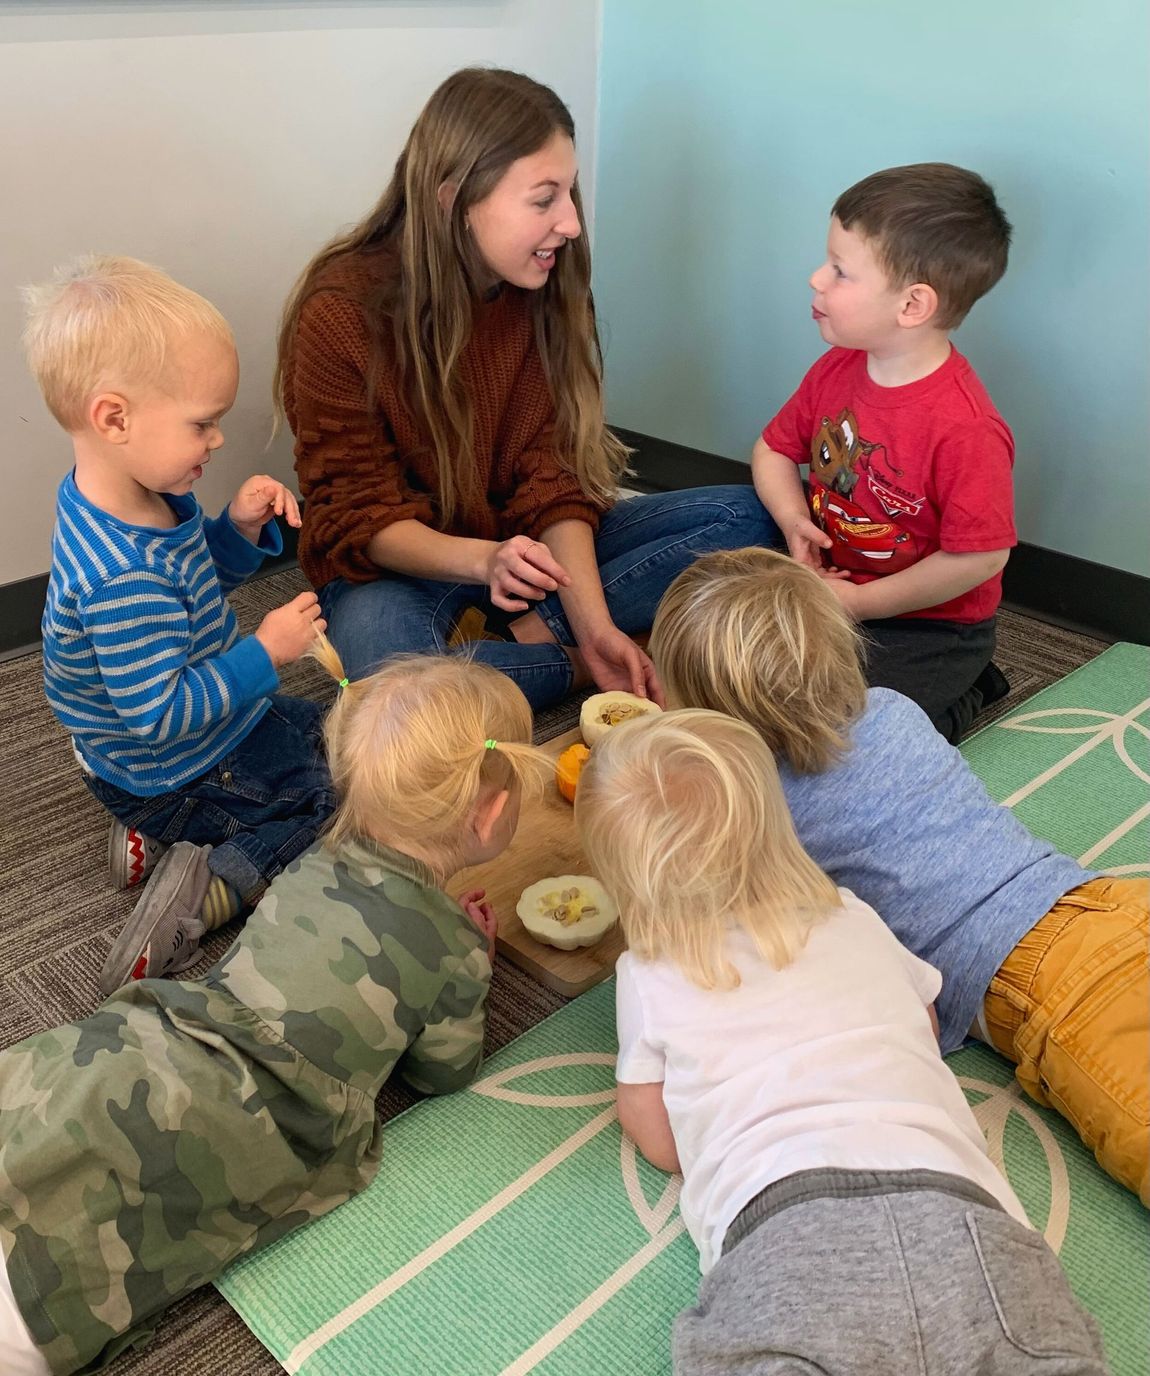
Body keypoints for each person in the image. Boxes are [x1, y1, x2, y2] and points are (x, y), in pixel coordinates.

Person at [0, 650, 540, 1376]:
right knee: (117, 1214)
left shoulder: (311, 860)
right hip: (263, 1114)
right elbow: (446, 1071)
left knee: (77, 1101)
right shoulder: (453, 948)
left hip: (178, 1030)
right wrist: (475, 960)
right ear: (495, 812)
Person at [576, 708, 1109, 1375]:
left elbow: (660, 1141)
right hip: (961, 1212)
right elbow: (923, 1017)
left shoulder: (650, 974)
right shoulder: (851, 913)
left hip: (787, 1230)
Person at [649, 547, 1149, 1203]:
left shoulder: (759, 807)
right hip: (1098, 898)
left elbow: (699, 908)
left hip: (1045, 982)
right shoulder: (892, 706)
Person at [277, 66, 777, 709]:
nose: (569, 222)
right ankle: (566, 661)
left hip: (529, 560)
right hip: (398, 572)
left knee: (753, 517)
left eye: (570, 193)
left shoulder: (548, 285)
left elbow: (556, 477)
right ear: (452, 199)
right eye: (544, 200)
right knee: (397, 684)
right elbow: (358, 516)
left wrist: (593, 625)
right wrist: (487, 564)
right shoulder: (340, 313)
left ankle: (530, 644)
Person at [23, 256, 335, 995]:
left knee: (336, 735)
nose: (218, 441)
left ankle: (154, 822)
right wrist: (266, 650)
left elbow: (189, 599)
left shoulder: (130, 501)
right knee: (336, 802)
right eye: (203, 424)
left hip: (155, 750)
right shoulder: (121, 575)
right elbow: (160, 713)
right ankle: (206, 884)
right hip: (174, 756)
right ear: (115, 418)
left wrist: (233, 530)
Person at [752, 163, 1015, 741]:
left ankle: (971, 688)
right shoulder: (838, 367)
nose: (816, 279)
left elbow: (980, 558)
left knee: (852, 736)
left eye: (841, 271)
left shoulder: (966, 428)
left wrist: (860, 605)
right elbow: (771, 451)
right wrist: (794, 521)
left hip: (930, 628)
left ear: (913, 305)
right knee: (749, 680)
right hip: (832, 589)